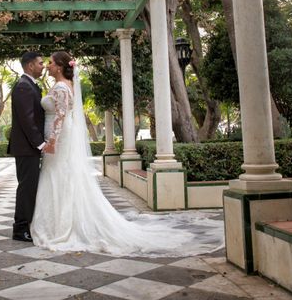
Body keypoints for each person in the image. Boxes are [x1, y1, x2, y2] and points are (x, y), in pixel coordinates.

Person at [30, 51, 224, 257]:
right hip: (63, 135)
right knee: (63, 175)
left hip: (59, 137)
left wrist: (52, 141)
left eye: (50, 63)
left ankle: (60, 226)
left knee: (59, 174)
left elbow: (60, 116)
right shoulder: (67, 86)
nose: (48, 66)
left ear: (60, 67)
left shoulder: (60, 87)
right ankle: (64, 220)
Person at [8, 51, 46, 242]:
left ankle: (26, 225)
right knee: (26, 188)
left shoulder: (29, 85)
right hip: (26, 148)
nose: (43, 66)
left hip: (29, 147)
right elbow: (27, 120)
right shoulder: (24, 87)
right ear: (30, 65)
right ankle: (20, 228)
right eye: (40, 63)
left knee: (30, 187)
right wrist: (40, 143)